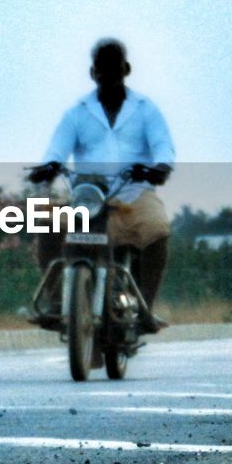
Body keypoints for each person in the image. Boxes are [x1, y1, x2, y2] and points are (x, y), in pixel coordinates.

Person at [27, 38, 174, 333]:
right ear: (94, 73)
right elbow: (57, 149)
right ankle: (57, 302)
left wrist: (159, 168)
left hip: (133, 194)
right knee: (48, 224)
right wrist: (48, 166)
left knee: (157, 229)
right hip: (87, 198)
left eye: (114, 69)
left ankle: (145, 308)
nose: (108, 76)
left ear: (126, 69)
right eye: (102, 70)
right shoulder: (77, 113)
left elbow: (164, 147)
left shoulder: (146, 109)